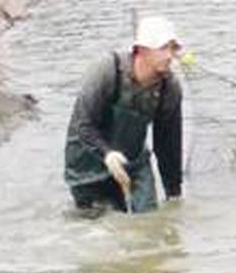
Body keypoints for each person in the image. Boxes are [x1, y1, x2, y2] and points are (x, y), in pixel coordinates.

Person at [64, 15, 184, 214]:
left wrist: (174, 193)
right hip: (88, 165)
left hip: (134, 164)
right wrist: (107, 154)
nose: (170, 55)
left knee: (149, 223)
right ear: (141, 50)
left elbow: (168, 145)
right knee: (103, 222)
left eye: (173, 48)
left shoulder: (169, 89)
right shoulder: (107, 71)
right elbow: (83, 125)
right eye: (163, 48)